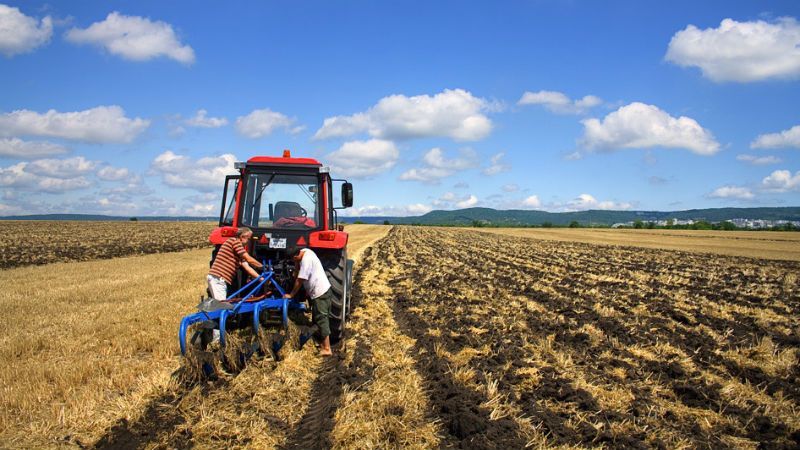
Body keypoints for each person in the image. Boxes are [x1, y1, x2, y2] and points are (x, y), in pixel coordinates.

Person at [284, 248, 333, 356]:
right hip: (319, 292)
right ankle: (321, 343)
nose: (294, 262)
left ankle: (327, 348)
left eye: (294, 260)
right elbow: (297, 268)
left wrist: (291, 295)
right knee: (316, 318)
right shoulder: (305, 251)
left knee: (321, 319)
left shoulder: (306, 261)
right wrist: (296, 264)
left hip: (320, 293)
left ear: (296, 256)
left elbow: (299, 280)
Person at [207, 227, 263, 300]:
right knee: (221, 306)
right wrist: (263, 266)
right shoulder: (234, 241)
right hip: (218, 278)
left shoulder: (239, 250)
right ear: (242, 237)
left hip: (220, 279)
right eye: (249, 239)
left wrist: (261, 278)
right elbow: (248, 259)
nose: (249, 241)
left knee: (222, 304)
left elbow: (247, 267)